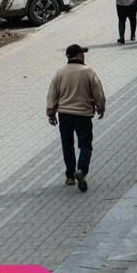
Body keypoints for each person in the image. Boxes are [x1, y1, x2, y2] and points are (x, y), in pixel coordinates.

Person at [46, 44, 105, 191]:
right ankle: (82, 170)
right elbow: (98, 91)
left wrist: (51, 113)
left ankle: (70, 176)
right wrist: (100, 107)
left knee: (67, 145)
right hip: (83, 115)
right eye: (82, 53)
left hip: (65, 114)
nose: (84, 56)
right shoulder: (87, 72)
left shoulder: (59, 73)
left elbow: (52, 94)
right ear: (78, 56)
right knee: (85, 144)